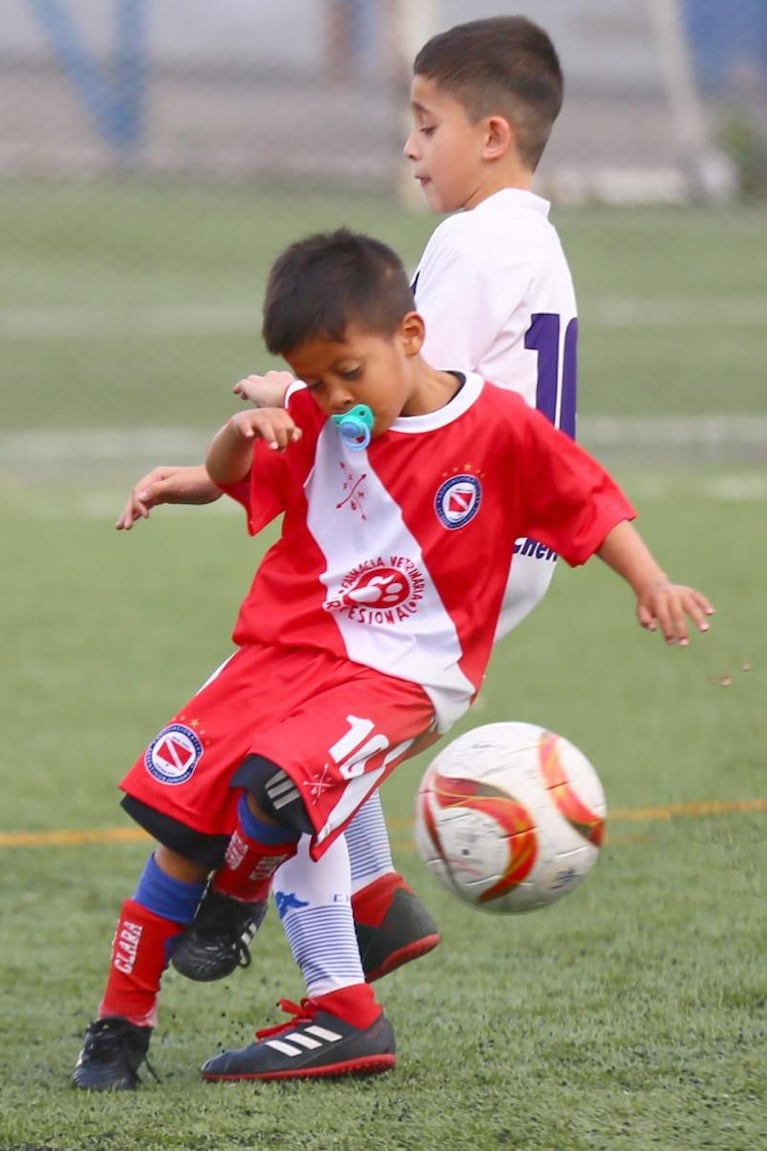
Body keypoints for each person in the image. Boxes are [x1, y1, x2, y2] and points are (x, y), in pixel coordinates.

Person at [73, 228, 713, 1089]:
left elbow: (587, 503)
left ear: (409, 337)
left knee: (278, 782)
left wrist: (653, 580)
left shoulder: (495, 427)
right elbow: (234, 472)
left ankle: (238, 898)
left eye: (348, 372)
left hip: (405, 672)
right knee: (181, 823)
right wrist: (236, 430)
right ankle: (120, 1026)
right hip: (283, 649)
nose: (333, 397)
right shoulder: (317, 413)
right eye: (311, 381)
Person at [114, 15, 578, 1001]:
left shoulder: (470, 245)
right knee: (323, 711)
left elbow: (390, 401)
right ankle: (370, 900)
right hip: (492, 535)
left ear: (490, 135)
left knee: (277, 739)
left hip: (451, 538)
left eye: (424, 124)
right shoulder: (530, 240)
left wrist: (271, 414)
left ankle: (336, 1000)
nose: (408, 147)